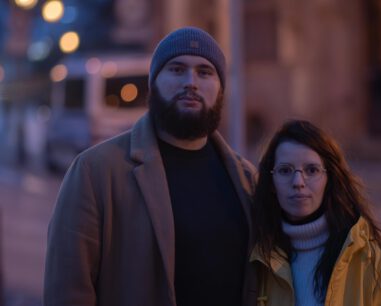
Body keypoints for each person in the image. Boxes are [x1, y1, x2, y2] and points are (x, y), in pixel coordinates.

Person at [44, 27, 257, 306]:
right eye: (177, 70)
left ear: (220, 88)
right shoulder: (94, 172)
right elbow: (68, 290)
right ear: (153, 83)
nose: (191, 82)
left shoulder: (247, 180)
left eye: (205, 72)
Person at [251, 120, 381, 306]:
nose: (298, 181)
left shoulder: (369, 258)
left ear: (329, 178)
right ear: (271, 182)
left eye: (312, 170)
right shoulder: (257, 257)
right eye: (285, 170)